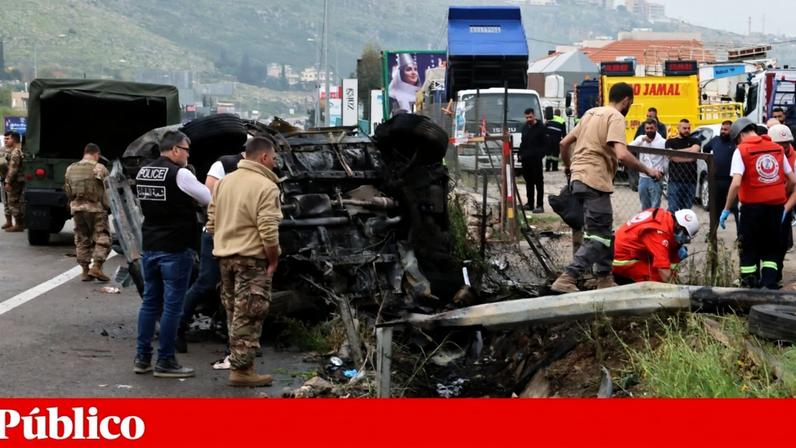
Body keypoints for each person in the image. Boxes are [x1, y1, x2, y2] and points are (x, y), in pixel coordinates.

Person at [551, 82, 663, 293]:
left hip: (578, 178)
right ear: (627, 101)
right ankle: (568, 277)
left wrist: (569, 167)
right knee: (599, 236)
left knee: (604, 233)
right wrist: (648, 170)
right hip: (596, 181)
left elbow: (564, 144)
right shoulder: (616, 117)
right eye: (631, 103)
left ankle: (603, 279)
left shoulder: (590, 113)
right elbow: (622, 154)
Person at [134, 130, 211, 378]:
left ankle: (142, 357)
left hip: (151, 246)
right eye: (187, 150)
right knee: (172, 308)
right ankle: (166, 360)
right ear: (176, 150)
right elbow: (208, 197)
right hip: (175, 248)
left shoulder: (144, 171)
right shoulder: (181, 173)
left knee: (149, 304)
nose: (188, 156)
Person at [207, 136, 282, 387]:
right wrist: (273, 258)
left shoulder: (225, 182)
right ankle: (242, 370)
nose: (274, 162)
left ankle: (240, 363)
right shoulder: (266, 186)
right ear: (263, 157)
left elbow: (212, 219)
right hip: (251, 259)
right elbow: (268, 230)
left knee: (234, 313)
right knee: (249, 314)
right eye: (273, 157)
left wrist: (220, 244)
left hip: (225, 257)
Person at [176, 150, 245, 354]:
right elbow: (209, 197)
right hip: (217, 233)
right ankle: (177, 328)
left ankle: (236, 340)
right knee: (207, 282)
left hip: (240, 236)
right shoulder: (223, 163)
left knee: (237, 286)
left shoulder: (265, 173)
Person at [719, 118, 796, 289]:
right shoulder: (777, 148)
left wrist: (726, 209)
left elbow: (737, 183)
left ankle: (749, 285)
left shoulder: (742, 150)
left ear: (739, 135)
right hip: (776, 208)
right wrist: (778, 193)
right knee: (772, 249)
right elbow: (792, 179)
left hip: (752, 209)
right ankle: (769, 285)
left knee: (749, 248)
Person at [64, 143, 111, 281]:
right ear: (96, 154)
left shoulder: (70, 168)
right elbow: (107, 190)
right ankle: (96, 266)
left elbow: (68, 191)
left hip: (77, 208)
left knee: (82, 238)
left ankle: (85, 271)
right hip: (96, 209)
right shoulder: (100, 168)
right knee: (102, 236)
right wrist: (107, 206)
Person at [612, 208, 699, 284]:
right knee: (657, 278)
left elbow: (672, 259)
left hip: (629, 249)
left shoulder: (665, 219)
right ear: (678, 227)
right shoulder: (658, 234)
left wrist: (674, 273)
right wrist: (676, 290)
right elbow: (663, 272)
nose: (685, 240)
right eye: (685, 235)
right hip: (621, 258)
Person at [769, 124, 796, 285]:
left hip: (785, 204)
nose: (783, 148)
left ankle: (775, 275)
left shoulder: (794, 159)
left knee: (780, 244)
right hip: (768, 205)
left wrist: (785, 209)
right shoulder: (767, 155)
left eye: (786, 144)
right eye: (780, 144)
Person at [703, 120, 738, 231]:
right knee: (715, 209)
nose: (723, 131)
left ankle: (740, 236)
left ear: (731, 131)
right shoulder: (716, 140)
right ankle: (712, 234)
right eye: (722, 129)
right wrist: (711, 163)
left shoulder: (736, 142)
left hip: (731, 181)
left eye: (726, 130)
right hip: (717, 180)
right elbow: (706, 149)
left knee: (736, 209)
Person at [629, 119, 667, 210]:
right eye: (647, 128)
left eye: (651, 128)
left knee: (655, 206)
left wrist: (662, 172)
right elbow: (629, 147)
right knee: (644, 206)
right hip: (643, 177)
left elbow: (666, 160)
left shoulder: (663, 142)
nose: (649, 130)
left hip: (656, 178)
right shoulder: (641, 138)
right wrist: (641, 140)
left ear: (656, 128)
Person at [665, 119, 701, 212]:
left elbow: (694, 154)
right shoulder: (670, 142)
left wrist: (676, 153)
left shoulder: (695, 140)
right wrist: (688, 153)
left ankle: (683, 227)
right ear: (678, 128)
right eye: (684, 128)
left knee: (687, 211)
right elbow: (672, 157)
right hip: (675, 180)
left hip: (690, 181)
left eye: (688, 128)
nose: (687, 130)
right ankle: (673, 226)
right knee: (673, 209)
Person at [519, 108, 548, 212]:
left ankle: (540, 205)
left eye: (530, 117)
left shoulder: (541, 128)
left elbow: (545, 144)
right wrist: (520, 154)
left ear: (534, 116)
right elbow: (523, 142)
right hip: (526, 160)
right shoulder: (525, 127)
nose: (529, 119)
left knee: (538, 182)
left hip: (536, 160)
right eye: (527, 117)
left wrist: (540, 155)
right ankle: (530, 203)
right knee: (529, 182)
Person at [2, 131, 24, 232]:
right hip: (12, 179)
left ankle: (19, 225)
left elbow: (13, 168)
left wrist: (8, 182)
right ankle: (14, 223)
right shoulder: (9, 150)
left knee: (13, 202)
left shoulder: (16, 152)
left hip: (15, 181)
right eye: (5, 138)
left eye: (8, 139)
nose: (5, 140)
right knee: (9, 201)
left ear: (14, 139)